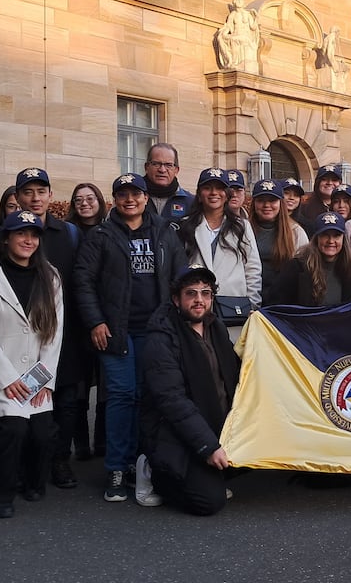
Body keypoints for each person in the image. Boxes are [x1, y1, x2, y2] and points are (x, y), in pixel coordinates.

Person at [74, 173, 188, 501]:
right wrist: (96, 321)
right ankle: (116, 467)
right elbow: (83, 280)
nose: (130, 199)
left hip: (156, 331)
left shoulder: (165, 232)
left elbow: (180, 277)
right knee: (122, 396)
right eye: (123, 194)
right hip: (116, 331)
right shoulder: (101, 235)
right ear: (114, 200)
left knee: (147, 397)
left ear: (145, 197)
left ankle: (141, 464)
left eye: (135, 194)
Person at [0, 169, 88, 490]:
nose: (35, 198)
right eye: (28, 192)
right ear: (17, 197)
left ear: (50, 195)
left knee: (66, 400)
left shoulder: (69, 233)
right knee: (26, 399)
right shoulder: (2, 235)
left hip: (64, 335)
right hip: (21, 340)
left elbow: (81, 279)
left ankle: (59, 459)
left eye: (41, 191)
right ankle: (26, 462)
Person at [0, 211, 63, 518]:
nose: (28, 240)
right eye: (21, 234)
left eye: (34, 235)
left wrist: (42, 380)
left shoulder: (51, 276)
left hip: (35, 373)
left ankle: (33, 482)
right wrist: (7, 378)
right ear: (6, 238)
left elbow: (54, 333)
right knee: (14, 431)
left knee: (43, 433)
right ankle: (0, 495)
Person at [139, 265, 241, 515]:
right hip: (173, 433)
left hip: (210, 425)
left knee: (252, 459)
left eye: (206, 293)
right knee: (210, 502)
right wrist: (208, 446)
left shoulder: (215, 327)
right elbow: (173, 402)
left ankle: (208, 473)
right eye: (191, 293)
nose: (199, 300)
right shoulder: (161, 338)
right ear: (176, 299)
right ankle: (151, 471)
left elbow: (235, 377)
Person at [181, 168, 264, 334]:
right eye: (207, 188)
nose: (214, 193)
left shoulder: (242, 226)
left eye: (219, 188)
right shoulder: (185, 225)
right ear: (199, 194)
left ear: (227, 194)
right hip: (196, 308)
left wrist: (252, 304)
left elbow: (253, 269)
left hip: (234, 309)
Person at [67, 180, 109, 463]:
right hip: (75, 319)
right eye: (79, 199)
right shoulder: (67, 232)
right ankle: (80, 443)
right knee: (78, 384)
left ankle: (102, 441)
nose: (84, 203)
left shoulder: (110, 230)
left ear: (100, 201)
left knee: (106, 384)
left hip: (105, 316)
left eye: (90, 198)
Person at [271, 212, 351, 306]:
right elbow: (278, 303)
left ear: (343, 239)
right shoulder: (296, 267)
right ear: (316, 238)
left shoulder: (349, 269)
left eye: (336, 235)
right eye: (325, 235)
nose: (331, 241)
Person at [250, 179, 308, 305]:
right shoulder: (244, 230)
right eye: (261, 200)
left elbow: (304, 271)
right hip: (249, 298)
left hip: (283, 302)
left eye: (272, 200)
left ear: (280, 203)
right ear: (254, 203)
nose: (266, 205)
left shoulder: (296, 232)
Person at [144, 143, 193, 222]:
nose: (162, 170)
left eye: (168, 165)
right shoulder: (133, 200)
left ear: (176, 170)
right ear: (146, 167)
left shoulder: (191, 202)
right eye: (156, 164)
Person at [297, 164, 342, 234]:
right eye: (324, 179)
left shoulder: (346, 207)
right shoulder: (304, 208)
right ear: (317, 182)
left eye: (334, 180)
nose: (329, 183)